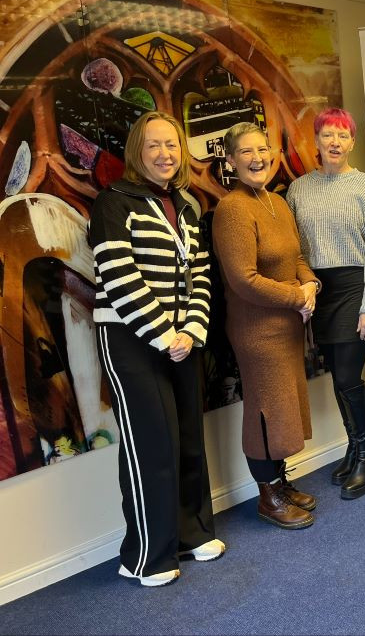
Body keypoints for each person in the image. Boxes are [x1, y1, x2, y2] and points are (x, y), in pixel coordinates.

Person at [89, 111, 224, 587]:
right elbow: (119, 277)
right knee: (152, 445)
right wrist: (166, 336)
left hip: (185, 340)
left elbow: (201, 274)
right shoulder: (113, 203)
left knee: (188, 437)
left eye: (172, 145)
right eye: (154, 146)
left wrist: (191, 331)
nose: (165, 154)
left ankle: (191, 532)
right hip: (131, 340)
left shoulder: (186, 204)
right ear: (136, 152)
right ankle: (148, 554)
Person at [211, 122, 318, 530]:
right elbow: (243, 279)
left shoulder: (278, 201)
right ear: (232, 160)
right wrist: (297, 297)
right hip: (258, 332)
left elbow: (298, 257)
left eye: (263, 149)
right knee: (263, 410)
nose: (258, 158)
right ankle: (267, 497)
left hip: (287, 327)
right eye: (247, 152)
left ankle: (279, 480)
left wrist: (310, 284)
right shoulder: (233, 208)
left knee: (282, 410)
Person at [287, 107, 365, 500]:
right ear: (315, 141)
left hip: (355, 287)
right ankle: (354, 448)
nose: (335, 142)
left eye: (343, 135)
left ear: (352, 142)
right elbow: (293, 248)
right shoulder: (298, 189)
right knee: (337, 377)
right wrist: (302, 290)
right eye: (327, 135)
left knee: (349, 377)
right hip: (318, 290)